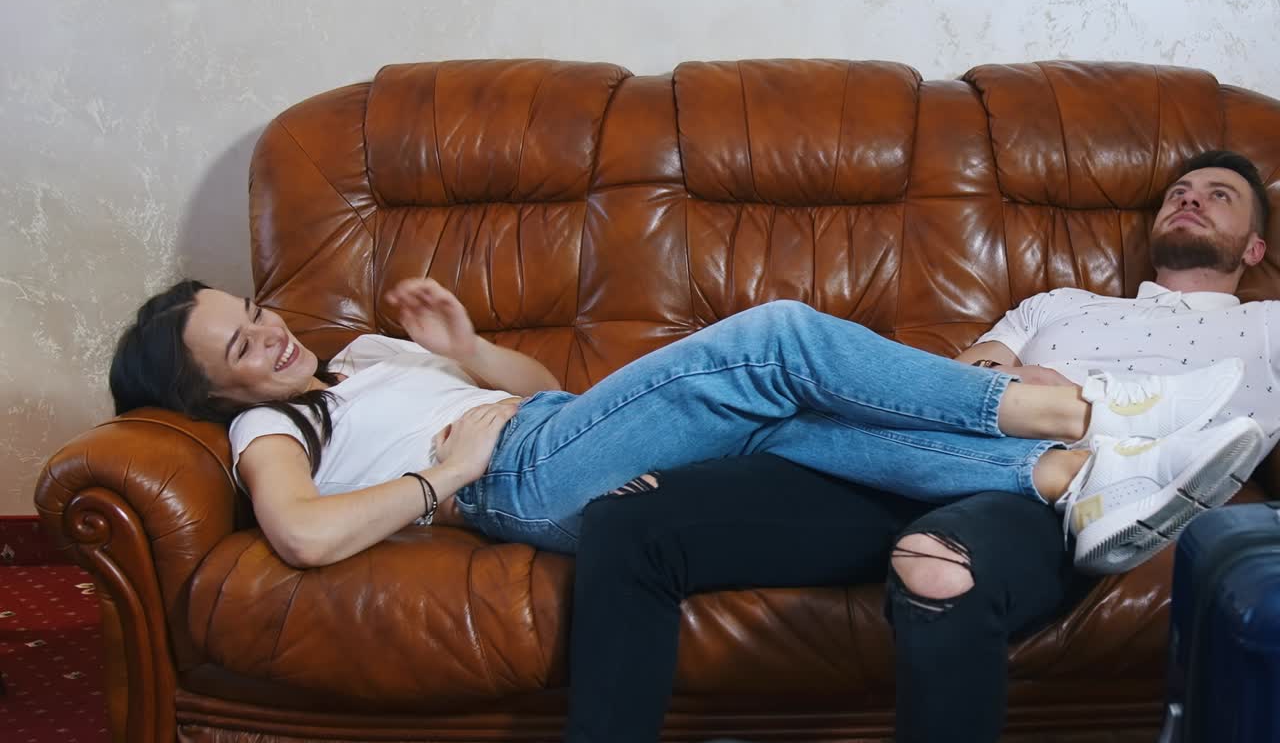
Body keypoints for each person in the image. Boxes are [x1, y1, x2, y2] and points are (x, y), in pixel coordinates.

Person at [397, 149, 1280, 743]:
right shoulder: (1059, 301)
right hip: (944, 453)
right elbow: (961, 374)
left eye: (1218, 194)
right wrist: (1007, 373)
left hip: (1024, 511)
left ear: (1253, 247)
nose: (1189, 196)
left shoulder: (1265, 329)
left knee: (937, 567)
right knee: (632, 518)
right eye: (1179, 188)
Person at [108, 192, 1262, 580]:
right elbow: (304, 537)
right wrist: (431, 478)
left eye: (253, 313)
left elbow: (545, 383)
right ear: (212, 393)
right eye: (237, 348)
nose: (266, 338)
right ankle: (1096, 417)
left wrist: (462, 351)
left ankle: (1070, 479)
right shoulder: (273, 421)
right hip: (511, 479)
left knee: (796, 417)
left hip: (551, 432)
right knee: (772, 339)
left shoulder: (361, 354)